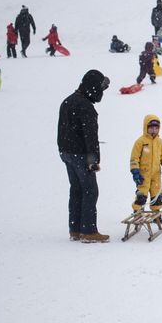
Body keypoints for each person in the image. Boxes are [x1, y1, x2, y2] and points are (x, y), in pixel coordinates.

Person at [58, 70, 111, 242]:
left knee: (76, 190)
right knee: (90, 191)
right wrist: (93, 160)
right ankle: (88, 231)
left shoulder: (67, 102)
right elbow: (91, 137)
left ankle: (75, 229)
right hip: (81, 156)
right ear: (93, 87)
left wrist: (63, 151)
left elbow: (61, 131)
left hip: (66, 153)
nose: (101, 93)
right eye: (100, 88)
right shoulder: (86, 107)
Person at [130, 114, 162, 214]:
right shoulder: (140, 142)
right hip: (143, 174)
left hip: (156, 174)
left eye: (156, 128)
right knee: (141, 194)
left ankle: (156, 212)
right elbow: (134, 158)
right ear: (146, 127)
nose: (154, 130)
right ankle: (137, 210)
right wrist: (135, 171)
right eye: (151, 128)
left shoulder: (159, 142)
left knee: (156, 194)